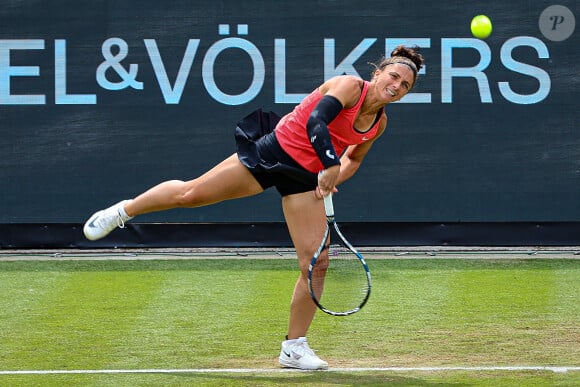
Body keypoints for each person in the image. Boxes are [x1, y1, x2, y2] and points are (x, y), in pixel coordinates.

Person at [83, 45, 425, 370]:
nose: (396, 86)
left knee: (317, 263)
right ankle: (124, 211)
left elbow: (354, 158)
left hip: (306, 180)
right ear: (378, 72)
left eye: (405, 85)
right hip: (273, 153)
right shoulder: (350, 85)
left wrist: (331, 180)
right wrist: (330, 162)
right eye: (393, 77)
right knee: (191, 195)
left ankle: (294, 348)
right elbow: (316, 122)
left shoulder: (378, 125)